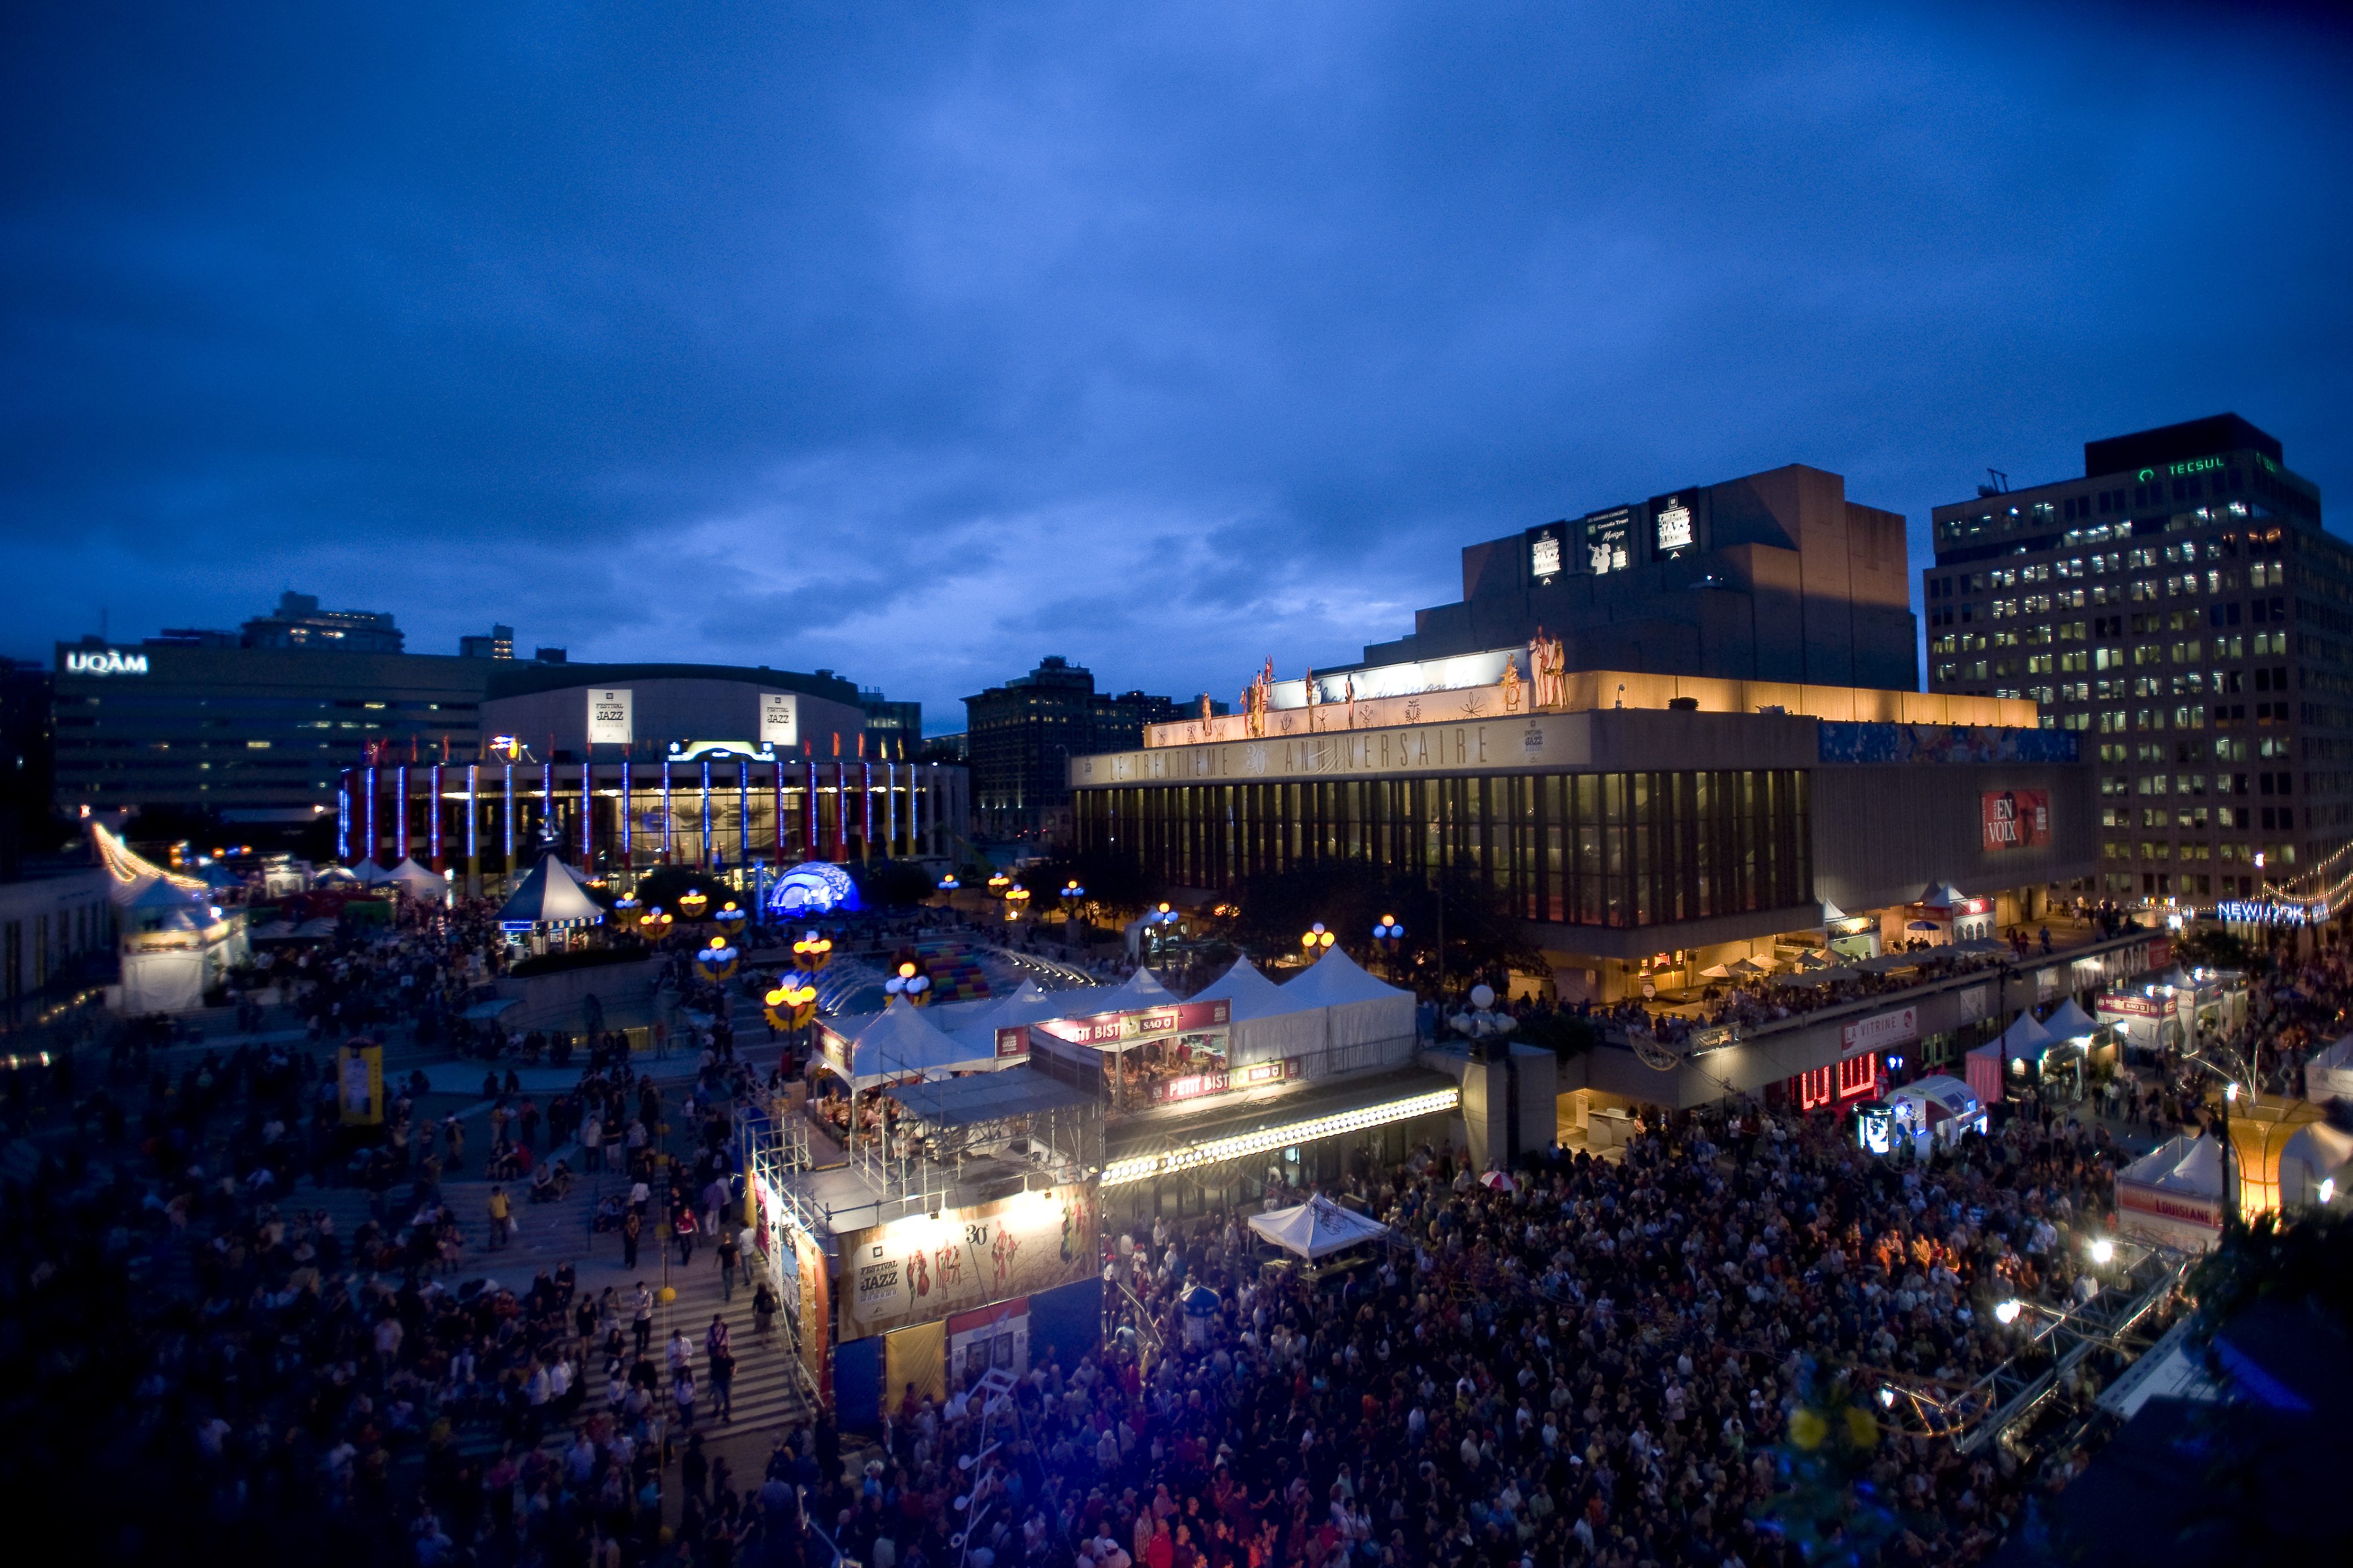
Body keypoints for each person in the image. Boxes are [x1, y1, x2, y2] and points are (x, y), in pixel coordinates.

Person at [716, 1226, 741, 1301]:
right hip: (732, 1264)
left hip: (725, 1266)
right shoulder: (733, 1245)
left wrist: (715, 1264)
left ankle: (728, 1297)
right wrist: (739, 1263)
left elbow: (718, 1257)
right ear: (729, 1237)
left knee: (726, 1281)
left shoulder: (722, 1247)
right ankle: (732, 1286)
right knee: (732, 1276)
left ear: (723, 1238)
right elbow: (736, 1255)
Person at [486, 1185, 512, 1250]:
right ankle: (492, 1245)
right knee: (494, 1232)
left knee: (504, 1231)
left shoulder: (504, 1196)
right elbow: (489, 1209)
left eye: (499, 1192)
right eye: (496, 1192)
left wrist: (508, 1217)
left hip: (504, 1217)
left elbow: (508, 1206)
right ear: (493, 1192)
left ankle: (504, 1243)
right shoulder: (491, 1199)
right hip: (495, 1218)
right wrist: (492, 1217)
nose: (498, 1193)